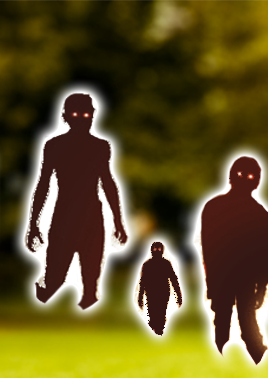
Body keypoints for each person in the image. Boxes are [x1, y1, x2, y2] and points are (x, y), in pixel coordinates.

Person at [26, 92, 128, 309]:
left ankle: (87, 317)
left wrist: (118, 222)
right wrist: (33, 224)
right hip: (64, 216)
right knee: (55, 279)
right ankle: (45, 294)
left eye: (86, 114)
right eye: (75, 114)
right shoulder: (54, 146)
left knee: (90, 283)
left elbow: (107, 183)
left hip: (92, 215)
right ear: (65, 117)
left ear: (92, 116)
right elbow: (43, 184)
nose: (82, 119)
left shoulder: (100, 147)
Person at [200, 156, 268, 364]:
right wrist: (262, 286)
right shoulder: (258, 213)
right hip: (233, 278)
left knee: (234, 322)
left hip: (236, 278)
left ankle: (251, 356)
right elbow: (210, 247)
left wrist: (261, 286)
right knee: (237, 322)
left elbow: (263, 253)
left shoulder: (215, 207)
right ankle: (251, 356)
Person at [136, 242, 182, 336]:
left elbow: (174, 280)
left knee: (160, 316)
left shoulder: (164, 264)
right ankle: (155, 335)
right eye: (155, 249)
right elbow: (142, 282)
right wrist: (140, 297)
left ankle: (157, 334)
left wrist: (179, 295)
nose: (157, 251)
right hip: (152, 294)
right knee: (153, 316)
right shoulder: (148, 265)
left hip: (162, 295)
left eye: (159, 249)